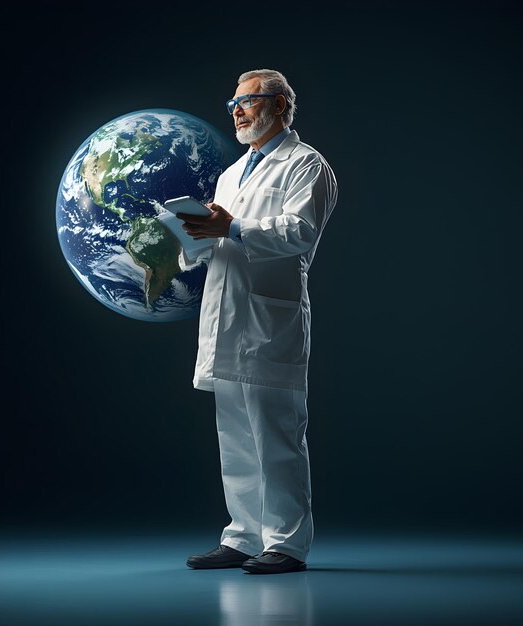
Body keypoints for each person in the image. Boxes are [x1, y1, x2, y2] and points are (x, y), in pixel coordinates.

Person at [177, 69, 338, 575]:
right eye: (234, 103)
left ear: (282, 107)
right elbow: (219, 241)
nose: (237, 111)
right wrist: (190, 238)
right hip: (227, 317)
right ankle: (243, 536)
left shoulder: (306, 165)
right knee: (237, 438)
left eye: (249, 101)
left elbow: (299, 232)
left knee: (277, 436)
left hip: (270, 319)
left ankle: (287, 544)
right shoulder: (231, 174)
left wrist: (233, 225)